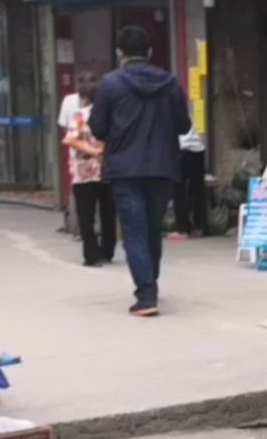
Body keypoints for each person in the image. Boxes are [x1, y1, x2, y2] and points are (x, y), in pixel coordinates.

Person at [89, 25, 190, 318]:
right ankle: (150, 287)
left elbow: (98, 128)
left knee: (134, 232)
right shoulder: (170, 83)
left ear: (120, 53)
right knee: (152, 230)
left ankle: (146, 296)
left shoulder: (110, 84)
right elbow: (184, 126)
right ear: (149, 52)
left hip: (125, 170)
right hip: (162, 168)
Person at [62, 72, 114, 267]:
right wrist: (102, 151)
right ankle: (107, 251)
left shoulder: (80, 117)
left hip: (83, 174)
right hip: (107, 170)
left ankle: (91, 254)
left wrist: (92, 151)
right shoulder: (110, 116)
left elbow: (71, 140)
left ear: (82, 97)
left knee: (87, 216)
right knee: (108, 213)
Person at [169, 123, 207, 240]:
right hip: (199, 148)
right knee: (197, 188)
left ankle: (182, 229)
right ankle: (199, 226)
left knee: (179, 189)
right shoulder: (198, 105)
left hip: (182, 148)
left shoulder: (174, 105)